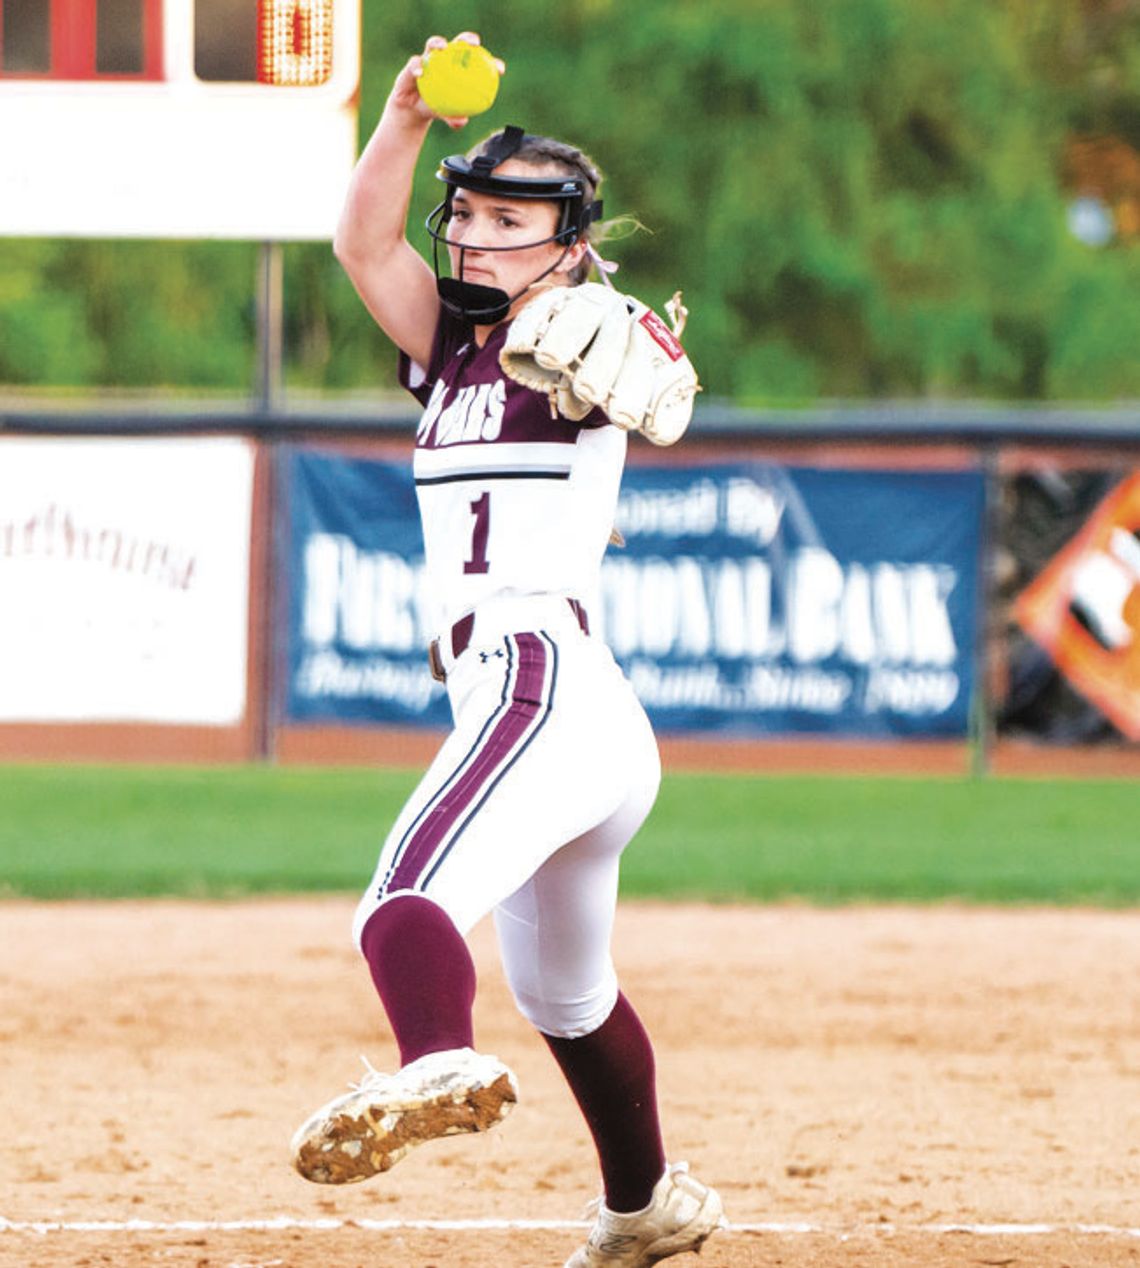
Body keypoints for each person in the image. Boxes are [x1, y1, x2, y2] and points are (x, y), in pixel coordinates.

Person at [289, 33, 724, 1268]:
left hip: (539, 673)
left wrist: (627, 331)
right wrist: (407, 115)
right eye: (468, 213)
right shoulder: (453, 354)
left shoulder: (581, 327)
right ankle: (646, 1207)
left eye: (508, 219)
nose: (474, 236)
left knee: (403, 896)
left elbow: (652, 373)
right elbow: (362, 244)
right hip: (554, 704)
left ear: (570, 241)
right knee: (568, 998)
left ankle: (433, 1063)